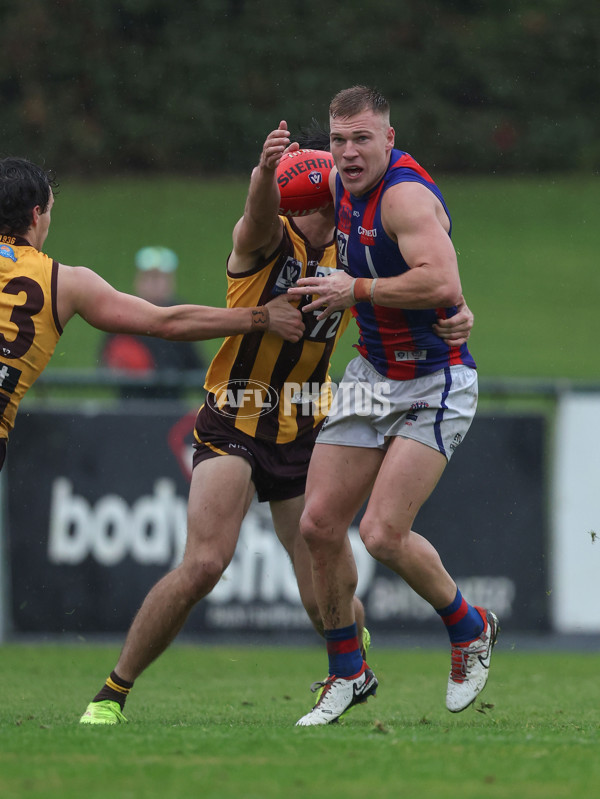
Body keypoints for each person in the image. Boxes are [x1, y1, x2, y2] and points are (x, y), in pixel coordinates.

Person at [79, 123, 474, 724]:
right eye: (313, 202)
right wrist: (263, 173)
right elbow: (253, 219)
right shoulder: (268, 239)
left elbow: (424, 271)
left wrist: (457, 309)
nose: (323, 211)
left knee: (325, 597)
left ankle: (352, 663)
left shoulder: (353, 246)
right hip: (236, 414)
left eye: (324, 200)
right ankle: (114, 690)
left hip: (307, 423)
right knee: (205, 565)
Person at [288, 86, 499, 726]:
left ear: (389, 137)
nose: (348, 153)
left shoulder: (403, 196)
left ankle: (469, 627)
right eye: (337, 139)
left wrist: (356, 288)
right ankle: (347, 672)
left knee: (381, 534)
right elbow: (278, 213)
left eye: (361, 139)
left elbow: (443, 281)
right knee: (318, 526)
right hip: (372, 373)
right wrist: (267, 169)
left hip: (436, 380)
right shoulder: (332, 183)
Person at [0, 157, 304, 474]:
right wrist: (263, 317)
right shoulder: (65, 283)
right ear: (36, 216)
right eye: (49, 211)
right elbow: (168, 323)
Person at [100, 246, 206, 400]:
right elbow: (106, 362)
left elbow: (197, 366)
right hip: (130, 407)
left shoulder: (182, 314)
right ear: (138, 280)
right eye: (150, 277)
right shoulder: (121, 313)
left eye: (160, 277)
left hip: (171, 408)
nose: (155, 283)